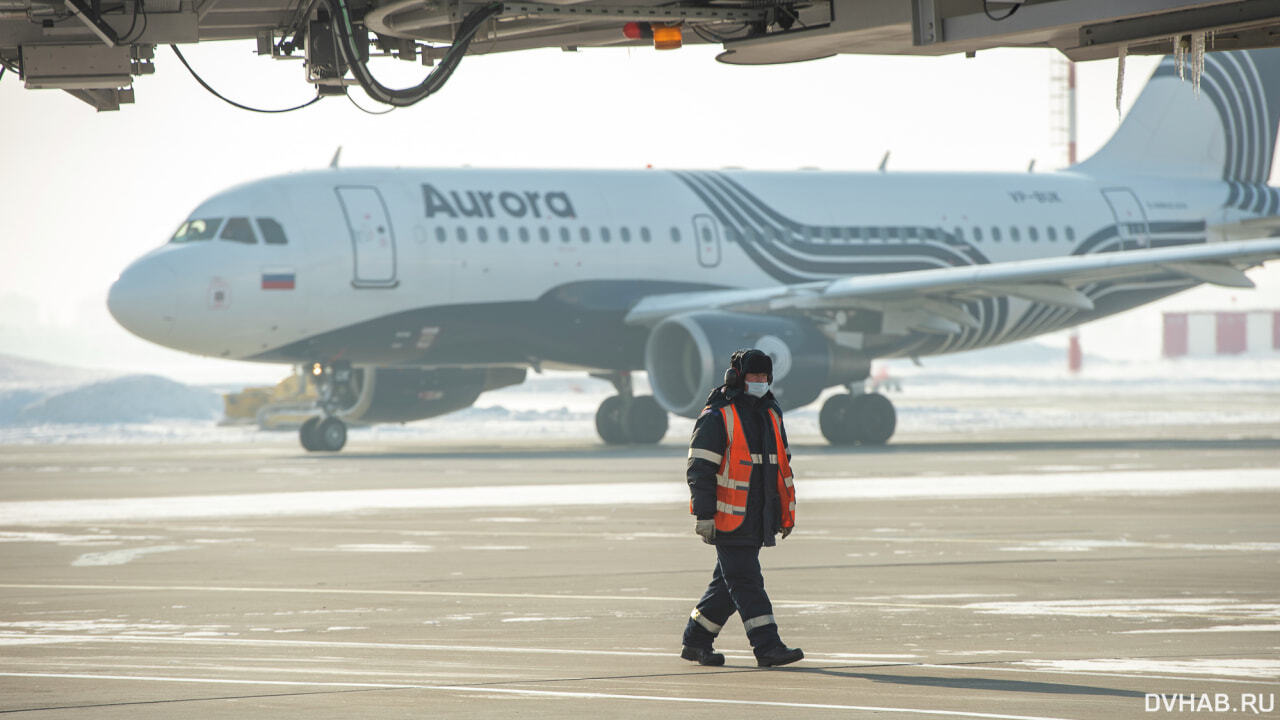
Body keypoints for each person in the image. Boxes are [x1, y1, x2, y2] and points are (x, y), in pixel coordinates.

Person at [680, 348, 804, 668]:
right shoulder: (718, 416)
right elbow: (700, 470)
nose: (760, 382)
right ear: (737, 377)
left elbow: (780, 467)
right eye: (753, 376)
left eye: (764, 376)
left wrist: (784, 513)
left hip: (758, 517)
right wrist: (704, 515)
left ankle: (696, 641)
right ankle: (767, 646)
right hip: (727, 519)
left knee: (727, 584)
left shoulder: (771, 413)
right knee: (747, 582)